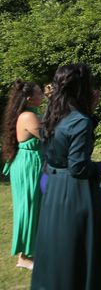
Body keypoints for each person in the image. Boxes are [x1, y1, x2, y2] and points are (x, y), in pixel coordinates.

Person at [31, 63, 101, 290]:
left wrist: (89, 111)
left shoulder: (52, 113)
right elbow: (78, 167)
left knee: (57, 248)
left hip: (52, 187)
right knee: (78, 249)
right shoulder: (79, 121)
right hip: (74, 193)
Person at [2, 80, 44, 270]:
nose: (42, 94)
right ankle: (24, 257)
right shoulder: (28, 116)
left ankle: (36, 249)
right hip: (29, 166)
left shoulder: (32, 113)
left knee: (38, 207)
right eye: (38, 93)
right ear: (29, 99)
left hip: (34, 164)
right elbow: (49, 135)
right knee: (29, 208)